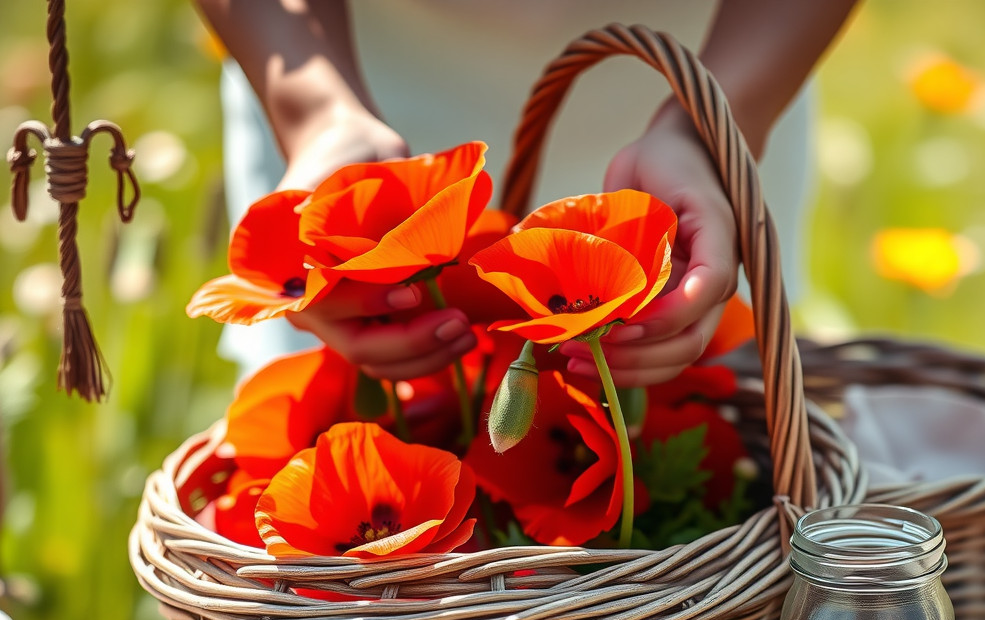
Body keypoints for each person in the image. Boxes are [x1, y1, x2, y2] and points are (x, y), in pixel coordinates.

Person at [197, 0, 857, 385]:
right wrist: (315, 115)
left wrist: (715, 128)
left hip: (721, 68)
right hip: (341, 78)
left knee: (719, 420)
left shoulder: (711, 118)